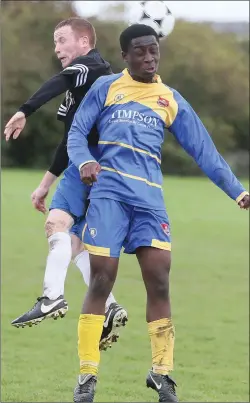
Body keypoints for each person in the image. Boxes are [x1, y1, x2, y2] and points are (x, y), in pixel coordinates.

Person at [67, 24, 250, 402]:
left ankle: (161, 373)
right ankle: (87, 375)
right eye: (140, 52)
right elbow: (77, 132)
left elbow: (205, 152)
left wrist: (239, 192)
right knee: (102, 280)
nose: (149, 58)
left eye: (154, 51)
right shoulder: (106, 88)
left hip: (149, 202)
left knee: (160, 281)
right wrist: (85, 160)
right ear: (124, 56)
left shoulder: (170, 98)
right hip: (109, 198)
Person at [4, 17, 128, 350]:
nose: (57, 48)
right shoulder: (87, 82)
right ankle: (111, 305)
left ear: (84, 42)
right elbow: (70, 139)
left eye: (61, 40)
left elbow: (58, 81)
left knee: (56, 225)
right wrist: (45, 184)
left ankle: (51, 297)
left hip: (88, 167)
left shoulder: (90, 67)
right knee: (75, 243)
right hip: (99, 169)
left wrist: (24, 110)